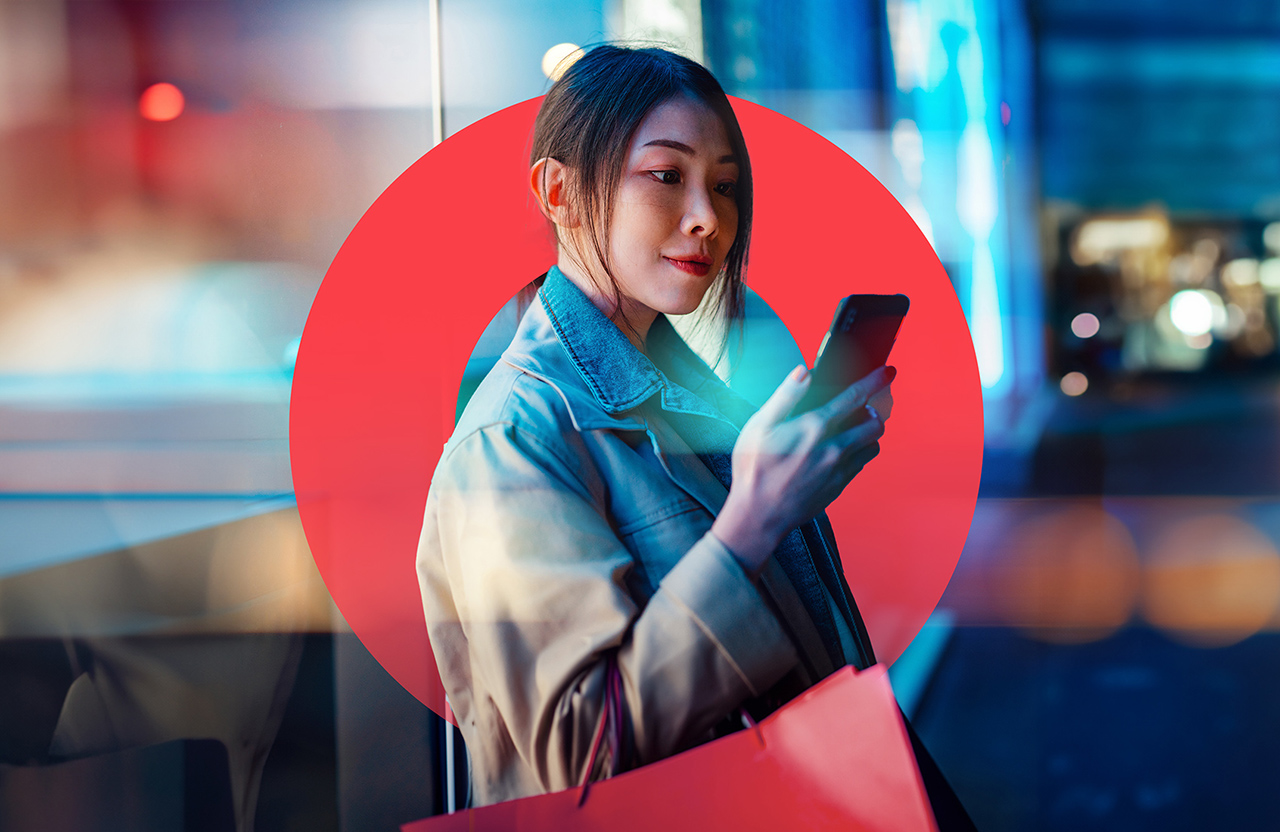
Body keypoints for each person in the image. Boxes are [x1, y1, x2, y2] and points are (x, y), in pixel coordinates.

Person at [417, 44, 899, 808]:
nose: (709, 218)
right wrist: (751, 523)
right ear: (559, 192)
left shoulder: (686, 395)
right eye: (667, 176)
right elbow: (582, 756)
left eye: (725, 185)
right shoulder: (515, 436)